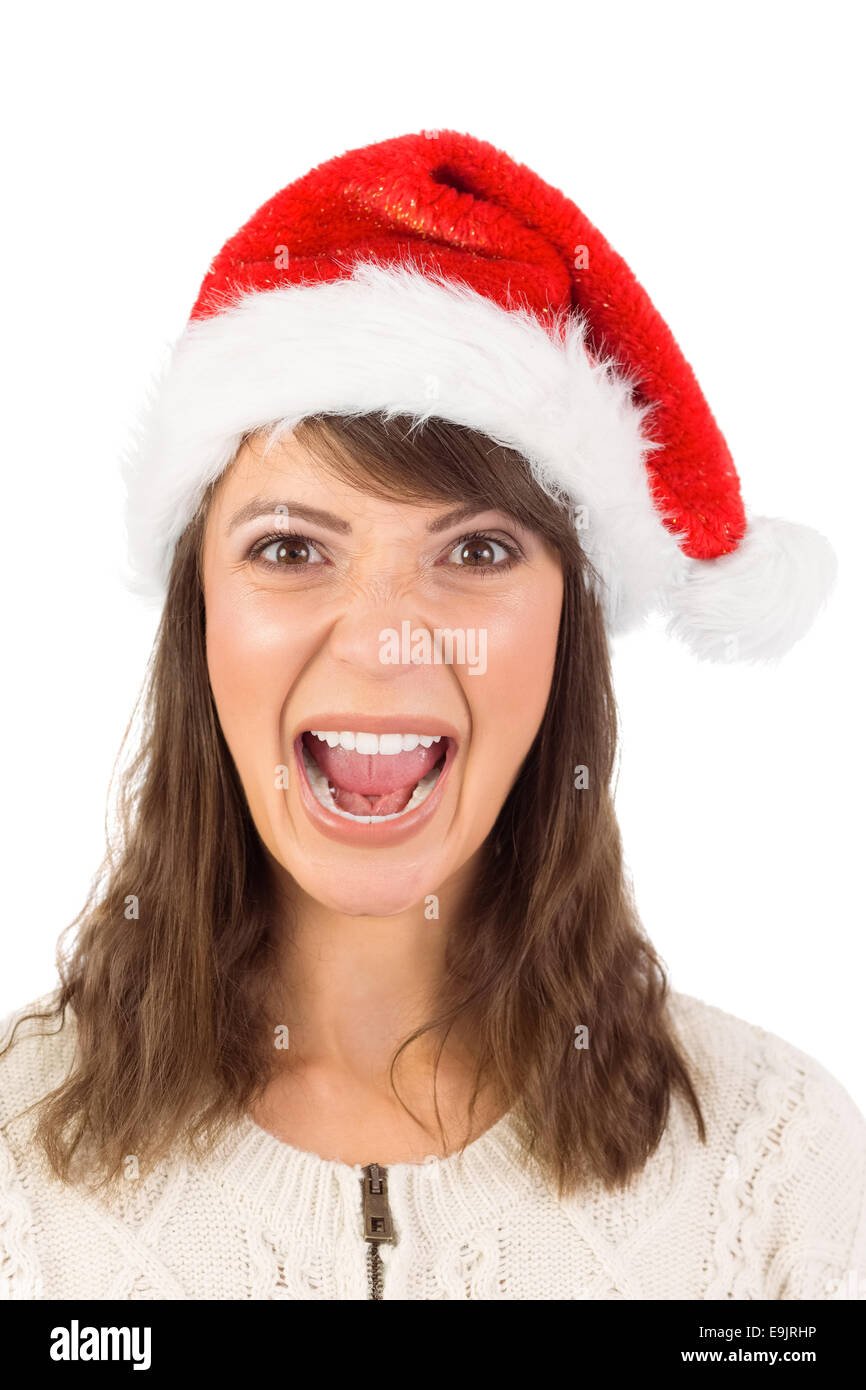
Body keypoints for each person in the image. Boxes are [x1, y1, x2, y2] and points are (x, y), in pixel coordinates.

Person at [1, 130, 862, 1301]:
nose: (382, 639)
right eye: (291, 546)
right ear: (197, 619)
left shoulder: (777, 1168)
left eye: (476, 548)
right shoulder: (13, 1165)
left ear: (566, 632)